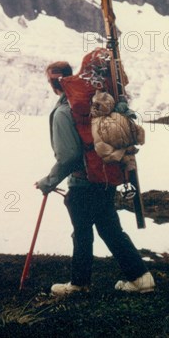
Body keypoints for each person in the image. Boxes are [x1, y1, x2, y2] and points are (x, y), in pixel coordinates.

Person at [36, 60, 155, 296]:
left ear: (53, 83)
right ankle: (142, 278)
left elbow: (69, 156)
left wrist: (48, 182)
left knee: (82, 232)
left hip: (82, 183)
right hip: (104, 177)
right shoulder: (90, 106)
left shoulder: (63, 113)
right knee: (110, 229)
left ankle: (79, 285)